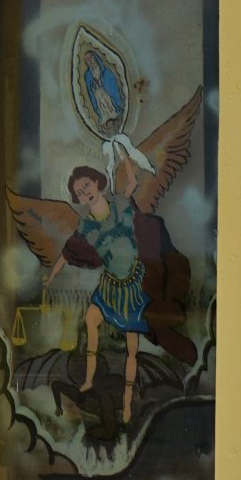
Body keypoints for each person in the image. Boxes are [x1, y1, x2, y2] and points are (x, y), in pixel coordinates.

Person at [46, 163, 149, 425]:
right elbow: (67, 254)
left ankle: (126, 406)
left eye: (87, 185)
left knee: (132, 347)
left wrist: (127, 162)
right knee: (91, 319)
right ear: (78, 199)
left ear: (97, 182)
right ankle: (89, 379)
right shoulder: (87, 227)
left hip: (131, 286)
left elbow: (131, 184)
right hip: (110, 285)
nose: (85, 192)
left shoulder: (120, 205)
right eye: (80, 192)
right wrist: (50, 277)